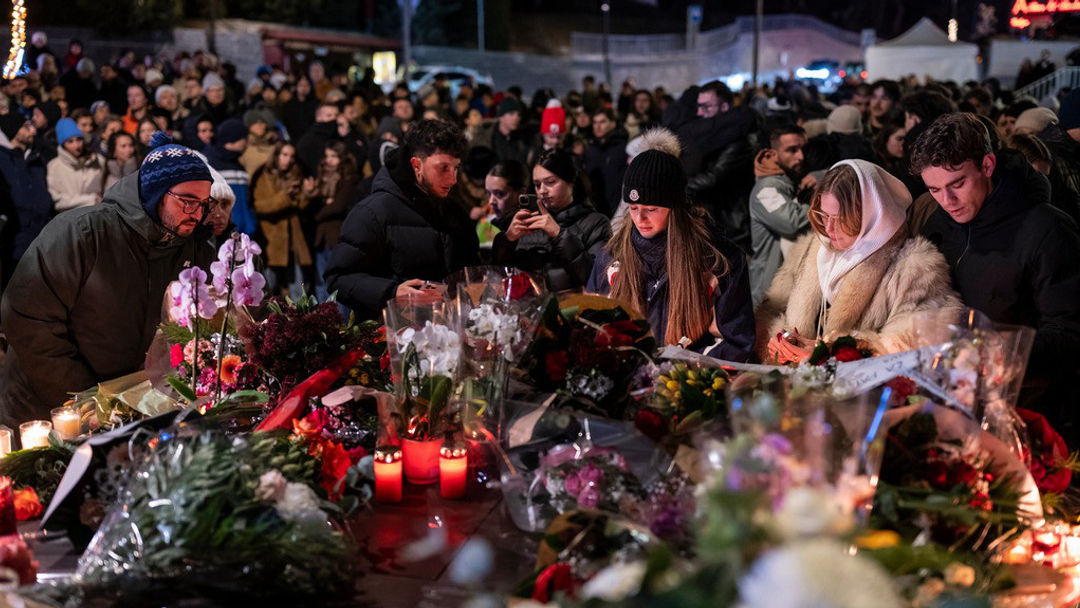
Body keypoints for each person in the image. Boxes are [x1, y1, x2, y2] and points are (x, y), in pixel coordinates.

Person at [0, 132, 217, 425]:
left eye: (204, 204)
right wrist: (84, 397)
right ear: (155, 194)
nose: (197, 213)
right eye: (187, 201)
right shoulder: (82, 233)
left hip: (124, 410)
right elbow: (27, 316)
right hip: (44, 407)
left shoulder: (192, 248)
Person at [913, 113, 1080, 444]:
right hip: (953, 405)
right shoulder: (938, 224)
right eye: (934, 189)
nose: (948, 201)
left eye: (958, 184)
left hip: (1030, 414)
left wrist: (1004, 352)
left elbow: (1071, 330)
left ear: (987, 165)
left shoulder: (1046, 229)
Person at [757, 160, 960, 362]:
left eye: (840, 218)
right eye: (824, 216)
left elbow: (910, 346)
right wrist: (780, 342)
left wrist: (830, 354)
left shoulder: (915, 269)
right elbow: (770, 311)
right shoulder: (810, 250)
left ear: (871, 214)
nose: (828, 229)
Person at [587, 149, 755, 361]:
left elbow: (736, 341)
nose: (640, 218)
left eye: (651, 209)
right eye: (633, 208)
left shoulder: (718, 262)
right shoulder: (611, 257)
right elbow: (590, 328)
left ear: (674, 208)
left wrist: (678, 373)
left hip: (687, 383)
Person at [325, 119, 479, 319]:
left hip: (447, 333)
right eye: (443, 168)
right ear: (417, 165)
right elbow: (338, 278)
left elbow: (471, 270)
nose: (453, 179)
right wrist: (392, 292)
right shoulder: (373, 212)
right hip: (390, 338)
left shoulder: (454, 211)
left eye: (456, 168)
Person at [493, 148, 610, 292]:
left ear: (571, 182)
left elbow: (598, 280)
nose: (542, 190)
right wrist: (507, 240)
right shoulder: (527, 217)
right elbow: (498, 275)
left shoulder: (596, 222)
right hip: (526, 307)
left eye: (550, 182)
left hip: (571, 308)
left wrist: (559, 235)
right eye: (537, 185)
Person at [748, 124, 810, 307]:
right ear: (771, 154)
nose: (801, 156)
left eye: (802, 149)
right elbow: (792, 223)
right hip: (770, 294)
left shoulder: (791, 182)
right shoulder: (766, 189)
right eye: (792, 150)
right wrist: (820, 203)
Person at [252, 142, 315, 296]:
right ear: (277, 155)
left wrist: (307, 194)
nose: (289, 159)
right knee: (267, 288)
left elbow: (301, 207)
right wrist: (285, 196)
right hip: (271, 239)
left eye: (292, 156)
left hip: (294, 240)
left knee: (299, 290)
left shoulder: (296, 174)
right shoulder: (264, 175)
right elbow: (261, 206)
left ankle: (299, 319)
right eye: (285, 155)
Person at [0, 113, 51, 289]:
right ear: (13, 130)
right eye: (26, 126)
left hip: (39, 233)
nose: (33, 130)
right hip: (14, 235)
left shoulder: (36, 158)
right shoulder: (3, 159)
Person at [304, 140, 359, 300]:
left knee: (338, 281)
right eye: (327, 156)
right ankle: (324, 317)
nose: (329, 160)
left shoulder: (349, 177)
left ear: (342, 158)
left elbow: (339, 205)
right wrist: (312, 195)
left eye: (334, 156)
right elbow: (313, 205)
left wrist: (319, 214)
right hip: (321, 237)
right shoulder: (321, 176)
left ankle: (339, 320)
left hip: (338, 235)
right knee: (321, 280)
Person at [205, 117, 256, 236]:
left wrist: (251, 223)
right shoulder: (211, 164)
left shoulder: (239, 166)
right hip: (222, 232)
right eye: (244, 138)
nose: (247, 142)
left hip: (245, 231)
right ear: (235, 138)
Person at [47, 117, 105, 212]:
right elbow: (58, 201)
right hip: (70, 221)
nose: (77, 145)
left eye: (79, 139)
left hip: (96, 218)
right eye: (70, 141)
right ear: (63, 144)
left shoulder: (96, 160)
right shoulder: (54, 166)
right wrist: (91, 200)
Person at [584, 107, 629, 216]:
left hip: (618, 209)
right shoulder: (590, 149)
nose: (598, 127)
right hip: (595, 210)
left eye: (602, 122)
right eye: (595, 122)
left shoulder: (623, 149)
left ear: (613, 124)